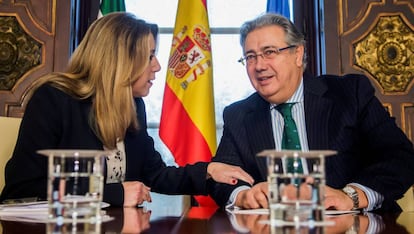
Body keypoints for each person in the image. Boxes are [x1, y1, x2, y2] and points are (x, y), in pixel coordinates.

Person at [0, 12, 254, 207]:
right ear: (119, 60)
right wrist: (114, 193)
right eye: (149, 56)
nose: (156, 66)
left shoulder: (133, 105)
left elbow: (155, 174)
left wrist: (208, 171)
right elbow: (23, 189)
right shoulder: (53, 100)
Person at [207, 13, 414, 212]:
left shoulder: (350, 94)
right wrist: (243, 195)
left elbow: (401, 158)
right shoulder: (238, 115)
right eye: (250, 57)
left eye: (269, 52)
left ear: (298, 54)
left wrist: (351, 196)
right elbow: (220, 176)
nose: (259, 66)